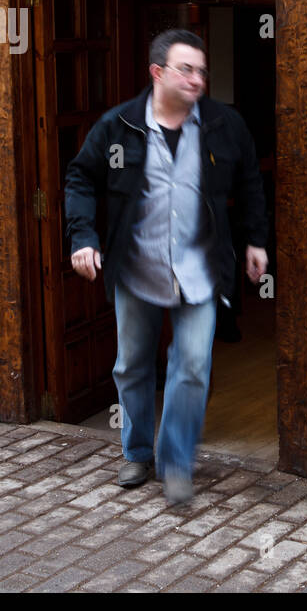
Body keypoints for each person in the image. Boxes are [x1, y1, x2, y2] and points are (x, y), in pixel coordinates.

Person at [64, 29, 268, 506]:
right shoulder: (118, 126)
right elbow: (80, 176)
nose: (197, 78)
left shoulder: (223, 125)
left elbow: (250, 180)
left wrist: (257, 239)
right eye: (186, 69)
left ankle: (176, 461)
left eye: (201, 70)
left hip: (200, 271)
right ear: (158, 73)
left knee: (193, 365)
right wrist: (83, 238)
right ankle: (136, 453)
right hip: (137, 268)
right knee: (132, 366)